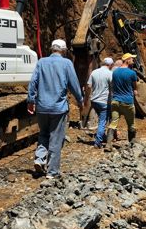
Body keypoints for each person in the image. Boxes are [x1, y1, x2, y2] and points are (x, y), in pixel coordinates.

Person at [27, 39, 83, 179]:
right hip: (58, 108)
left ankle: (39, 159)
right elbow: (74, 84)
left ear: (52, 49)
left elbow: (33, 82)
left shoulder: (41, 62)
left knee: (43, 134)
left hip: (42, 107)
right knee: (56, 139)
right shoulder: (66, 63)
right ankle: (52, 172)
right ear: (63, 51)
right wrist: (80, 100)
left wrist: (30, 100)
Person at [105, 52, 138, 152]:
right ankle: (132, 144)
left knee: (113, 123)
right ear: (127, 60)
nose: (133, 60)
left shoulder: (115, 72)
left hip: (115, 101)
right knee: (131, 124)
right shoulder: (132, 73)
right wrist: (135, 92)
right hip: (127, 102)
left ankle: (108, 144)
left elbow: (113, 85)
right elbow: (135, 87)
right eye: (132, 59)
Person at [85, 57, 114, 148]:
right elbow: (112, 87)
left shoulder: (94, 72)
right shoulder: (110, 73)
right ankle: (98, 142)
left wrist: (87, 98)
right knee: (102, 122)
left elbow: (89, 85)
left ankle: (102, 136)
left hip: (94, 101)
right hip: (104, 101)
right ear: (110, 65)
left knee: (102, 120)